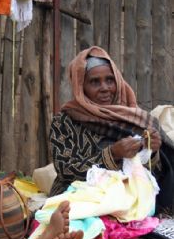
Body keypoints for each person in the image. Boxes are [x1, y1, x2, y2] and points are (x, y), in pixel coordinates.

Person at [49, 46, 174, 213]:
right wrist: (112, 154)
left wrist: (152, 152)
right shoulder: (65, 121)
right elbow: (65, 169)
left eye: (110, 80)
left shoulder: (137, 119)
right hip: (81, 199)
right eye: (94, 82)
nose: (105, 88)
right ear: (80, 86)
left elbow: (152, 176)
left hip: (132, 198)